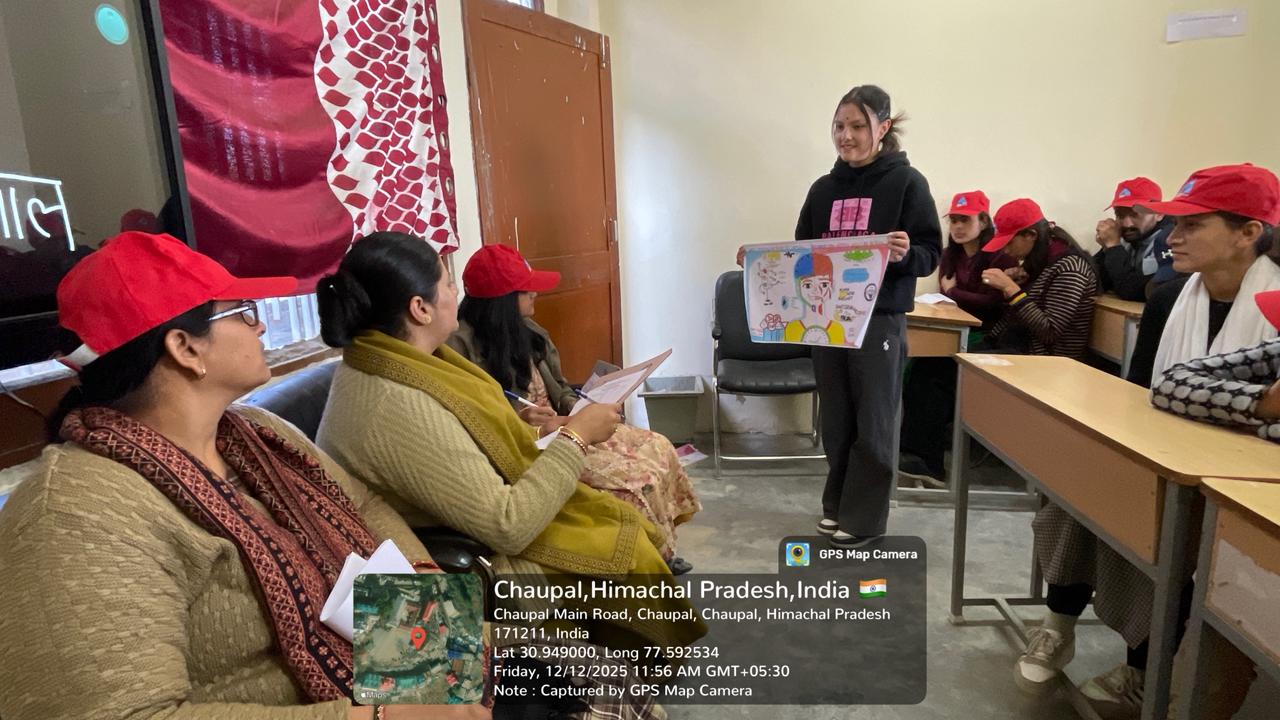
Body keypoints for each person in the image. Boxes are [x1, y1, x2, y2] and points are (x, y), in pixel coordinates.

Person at [0, 231, 483, 720]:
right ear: (185, 348)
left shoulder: (257, 433)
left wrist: (425, 598)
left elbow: (363, 504)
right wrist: (385, 715)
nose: (261, 326)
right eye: (244, 312)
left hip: (404, 662)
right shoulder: (75, 514)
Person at [315, 232, 706, 654]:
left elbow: (474, 436)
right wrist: (575, 437)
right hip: (471, 553)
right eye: (448, 284)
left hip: (470, 516)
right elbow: (508, 525)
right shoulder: (394, 402)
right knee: (623, 543)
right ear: (420, 309)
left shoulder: (398, 363)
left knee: (626, 497)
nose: (456, 294)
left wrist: (536, 429)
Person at [1017, 163, 1280, 718]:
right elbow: (1145, 394)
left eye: (1192, 225)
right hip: (1166, 449)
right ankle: (1058, 626)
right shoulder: (1169, 299)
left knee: (1165, 529)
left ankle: (1143, 667)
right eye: (1174, 223)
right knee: (1083, 488)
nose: (1172, 237)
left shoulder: (1273, 307)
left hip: (1248, 477)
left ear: (1248, 232)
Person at [447, 243, 701, 573]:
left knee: (659, 446)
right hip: (532, 444)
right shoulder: (459, 347)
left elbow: (561, 387)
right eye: (527, 290)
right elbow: (475, 419)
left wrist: (582, 404)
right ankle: (644, 559)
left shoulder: (531, 332)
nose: (536, 295)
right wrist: (524, 420)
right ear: (503, 300)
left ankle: (661, 547)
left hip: (566, 425)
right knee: (635, 482)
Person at [790, 84, 942, 549]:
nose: (846, 135)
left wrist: (905, 254)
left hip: (879, 319)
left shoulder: (907, 183)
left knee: (874, 420)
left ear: (883, 127)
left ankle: (866, 518)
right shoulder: (822, 189)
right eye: (839, 126)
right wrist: (761, 265)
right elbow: (801, 251)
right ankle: (837, 506)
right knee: (837, 420)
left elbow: (930, 253)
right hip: (827, 320)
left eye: (858, 125)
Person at [898, 190, 1016, 486]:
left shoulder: (999, 256)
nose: (958, 227)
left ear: (984, 221)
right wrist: (956, 294)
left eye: (965, 220)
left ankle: (930, 462)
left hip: (987, 337)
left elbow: (991, 303)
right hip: (956, 329)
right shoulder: (949, 254)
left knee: (934, 376)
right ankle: (910, 451)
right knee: (914, 367)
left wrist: (954, 292)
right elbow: (949, 294)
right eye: (953, 220)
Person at [979, 198, 1099, 359]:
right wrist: (1011, 288)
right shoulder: (1039, 261)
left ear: (1031, 235)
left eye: (1009, 243)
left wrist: (1012, 289)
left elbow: (1049, 332)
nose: (1005, 251)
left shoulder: (1071, 267)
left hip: (1045, 360)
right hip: (1016, 347)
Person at [1093, 177, 1176, 301]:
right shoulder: (1125, 236)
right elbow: (1093, 283)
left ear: (1159, 214)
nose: (1127, 224)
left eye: (1135, 215)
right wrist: (1106, 248)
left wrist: (1113, 247)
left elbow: (1132, 290)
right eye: (1120, 215)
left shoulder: (1171, 239)